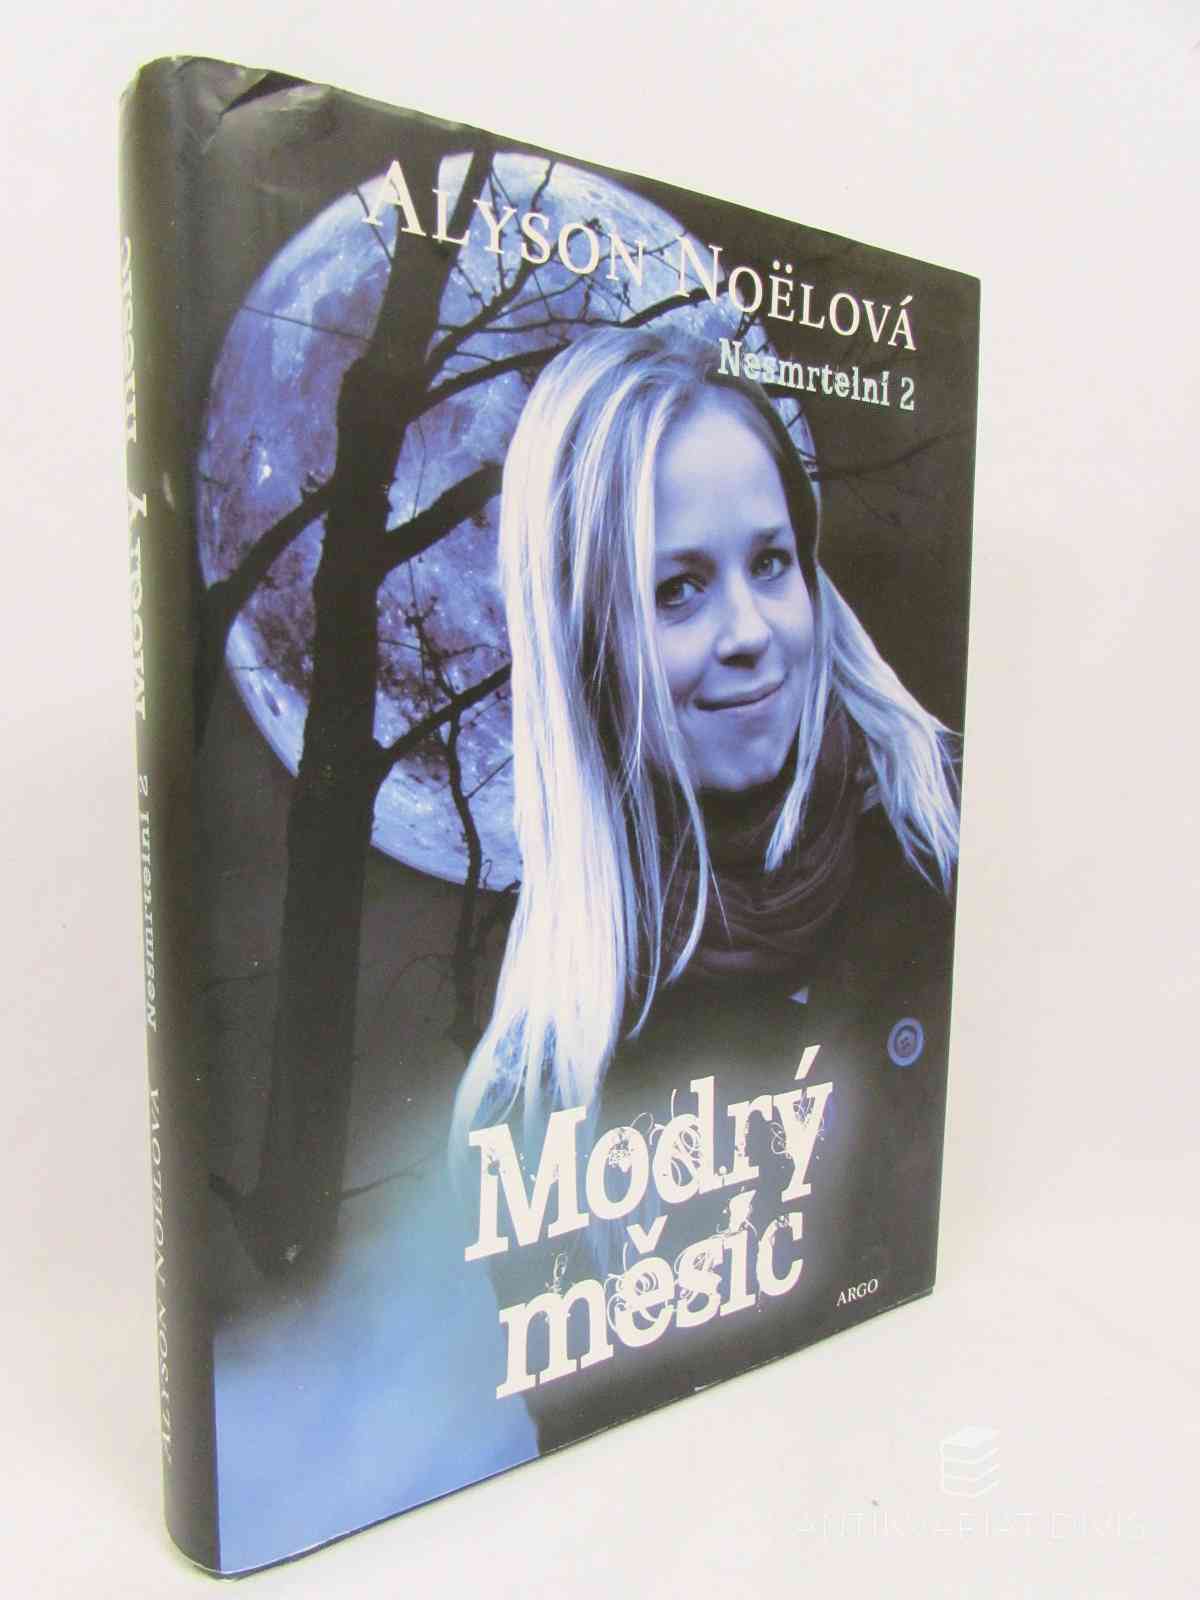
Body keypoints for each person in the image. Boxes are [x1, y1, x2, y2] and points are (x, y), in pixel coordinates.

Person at [454, 325, 961, 1446]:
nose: (751, 634)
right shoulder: (540, 1097)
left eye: (771, 562)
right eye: (678, 589)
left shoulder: (941, 840)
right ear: (586, 644)